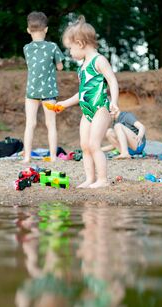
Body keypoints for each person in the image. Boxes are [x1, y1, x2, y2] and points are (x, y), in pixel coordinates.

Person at [56, 16, 119, 188]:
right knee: (85, 145)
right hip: (87, 111)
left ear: (80, 43)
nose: (70, 53)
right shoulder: (82, 68)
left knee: (94, 144)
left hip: (100, 108)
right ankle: (90, 178)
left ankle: (103, 180)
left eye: (70, 48)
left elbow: (112, 81)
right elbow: (82, 94)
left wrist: (114, 102)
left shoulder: (99, 60)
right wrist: (63, 104)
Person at [22, 11, 65, 163]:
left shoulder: (26, 48)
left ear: (28, 30)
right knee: (50, 124)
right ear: (46, 29)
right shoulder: (52, 47)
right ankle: (53, 157)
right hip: (48, 91)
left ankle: (27, 157)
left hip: (32, 90)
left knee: (30, 123)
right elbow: (60, 67)